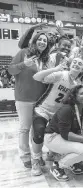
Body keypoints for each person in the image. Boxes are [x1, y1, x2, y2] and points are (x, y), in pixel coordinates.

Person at [31, 57, 83, 176]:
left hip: (58, 115)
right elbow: (36, 77)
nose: (76, 64)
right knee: (39, 131)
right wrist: (54, 69)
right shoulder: (60, 74)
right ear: (70, 64)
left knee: (64, 134)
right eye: (74, 62)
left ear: (82, 68)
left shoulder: (77, 85)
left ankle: (59, 157)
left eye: (80, 63)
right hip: (43, 109)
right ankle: (36, 159)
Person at [8, 32, 50, 168]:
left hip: (40, 100)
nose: (42, 42)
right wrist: (23, 64)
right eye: (40, 39)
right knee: (25, 128)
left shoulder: (45, 59)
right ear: (35, 41)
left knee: (37, 129)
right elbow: (10, 70)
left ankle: (36, 155)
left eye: (45, 40)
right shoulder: (24, 52)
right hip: (24, 98)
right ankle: (25, 155)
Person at [44, 85, 83, 181]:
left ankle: (74, 163)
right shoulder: (67, 109)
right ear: (74, 96)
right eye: (82, 93)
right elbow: (65, 134)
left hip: (64, 136)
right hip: (53, 138)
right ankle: (58, 166)